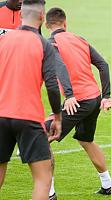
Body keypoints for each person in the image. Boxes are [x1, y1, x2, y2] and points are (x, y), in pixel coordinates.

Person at [45, 7, 111, 198]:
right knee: (86, 140)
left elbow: (59, 67)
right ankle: (108, 185)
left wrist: (69, 95)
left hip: (78, 101)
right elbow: (103, 64)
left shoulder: (50, 42)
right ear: (65, 23)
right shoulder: (79, 39)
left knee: (41, 137)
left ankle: (49, 193)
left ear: (46, 25)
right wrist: (106, 95)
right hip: (94, 99)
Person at [0, 0, 62, 200]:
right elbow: (52, 85)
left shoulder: (3, 41)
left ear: (20, 15)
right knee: (43, 177)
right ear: (43, 17)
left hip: (0, 114)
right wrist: (58, 116)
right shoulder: (44, 44)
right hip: (28, 116)